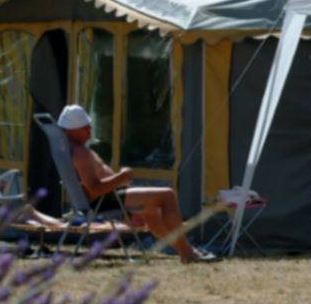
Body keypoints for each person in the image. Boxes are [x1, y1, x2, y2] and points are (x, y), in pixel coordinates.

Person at [57, 104, 216, 263]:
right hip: (106, 199)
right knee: (168, 196)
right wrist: (122, 176)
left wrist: (123, 188)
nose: (90, 130)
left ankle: (186, 250)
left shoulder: (69, 150)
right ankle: (187, 253)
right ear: (72, 130)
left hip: (107, 197)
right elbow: (95, 188)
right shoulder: (80, 153)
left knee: (151, 211)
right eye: (85, 127)